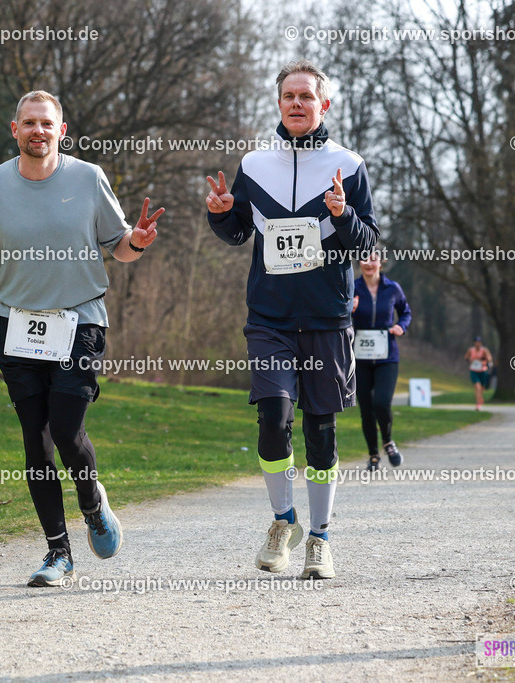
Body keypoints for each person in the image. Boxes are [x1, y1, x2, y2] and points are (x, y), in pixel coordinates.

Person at [0, 90, 163, 587]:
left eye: (46, 123)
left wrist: (138, 242)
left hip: (80, 322)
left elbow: (119, 246)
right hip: (18, 327)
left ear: (61, 131)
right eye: (29, 123)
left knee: (67, 432)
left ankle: (92, 504)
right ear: (15, 130)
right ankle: (58, 553)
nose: (38, 131)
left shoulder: (88, 178)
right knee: (36, 444)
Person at [206, 59, 378, 580]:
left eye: (306, 96)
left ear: (324, 104)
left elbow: (368, 244)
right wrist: (221, 212)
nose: (297, 103)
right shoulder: (256, 165)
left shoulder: (348, 165)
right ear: (279, 103)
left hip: (327, 318)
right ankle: (283, 522)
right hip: (270, 318)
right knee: (273, 416)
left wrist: (343, 214)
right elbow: (239, 232)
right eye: (289, 96)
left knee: (320, 429)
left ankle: (320, 539)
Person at [351, 250, 411, 471]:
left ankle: (388, 441)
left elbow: (405, 312)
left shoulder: (392, 288)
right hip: (360, 357)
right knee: (366, 408)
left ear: (381, 262)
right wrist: (349, 310)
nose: (369, 263)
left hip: (387, 356)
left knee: (382, 403)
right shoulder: (352, 287)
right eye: (364, 258)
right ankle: (373, 455)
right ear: (359, 262)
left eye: (373, 259)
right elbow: (338, 315)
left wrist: (401, 326)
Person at [464, 337, 494, 410]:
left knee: (482, 388)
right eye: (476, 342)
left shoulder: (484, 350)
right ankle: (478, 403)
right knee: (477, 387)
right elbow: (466, 358)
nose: (478, 344)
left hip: (483, 370)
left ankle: (480, 398)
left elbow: (489, 358)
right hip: (474, 370)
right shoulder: (471, 350)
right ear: (474, 343)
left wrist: (482, 359)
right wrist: (471, 360)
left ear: (481, 343)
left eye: (479, 342)